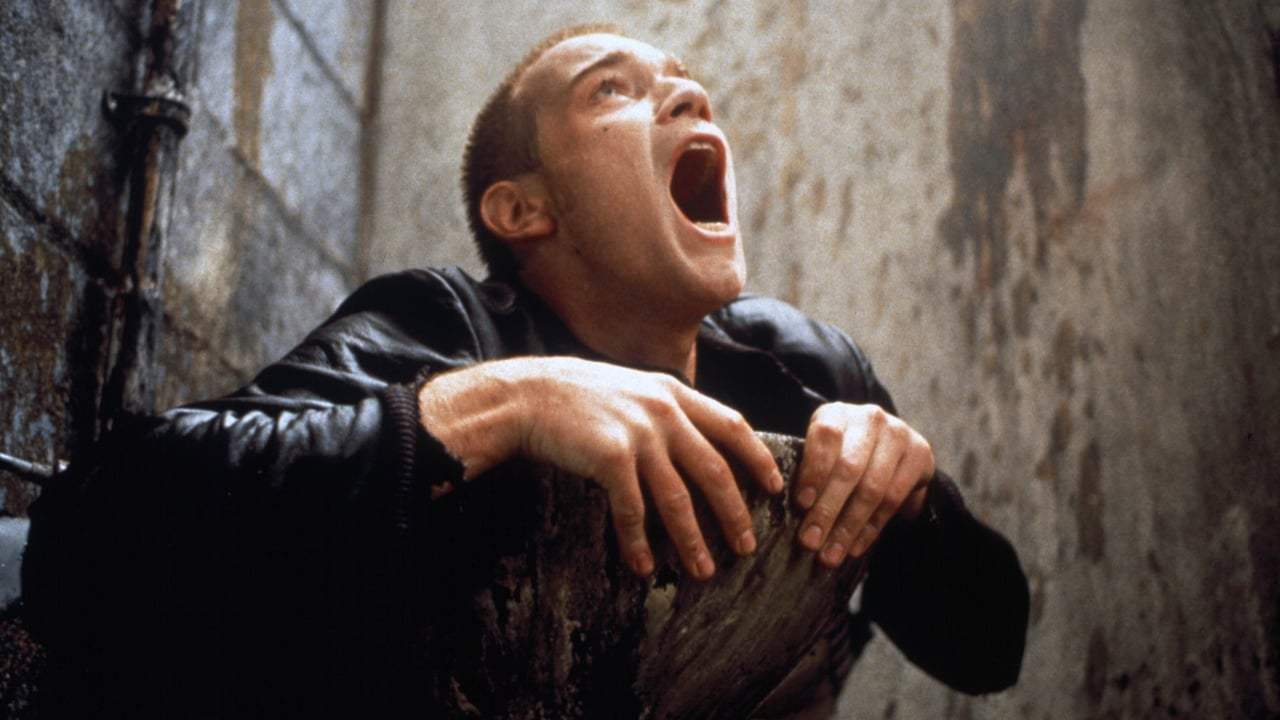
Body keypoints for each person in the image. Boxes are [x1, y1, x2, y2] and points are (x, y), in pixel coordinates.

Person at [23, 24, 1028, 718]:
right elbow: (86, 543)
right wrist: (506, 401)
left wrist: (915, 504)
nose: (688, 94)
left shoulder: (805, 369)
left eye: (683, 81)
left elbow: (989, 652)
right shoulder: (443, 325)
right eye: (611, 90)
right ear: (521, 210)